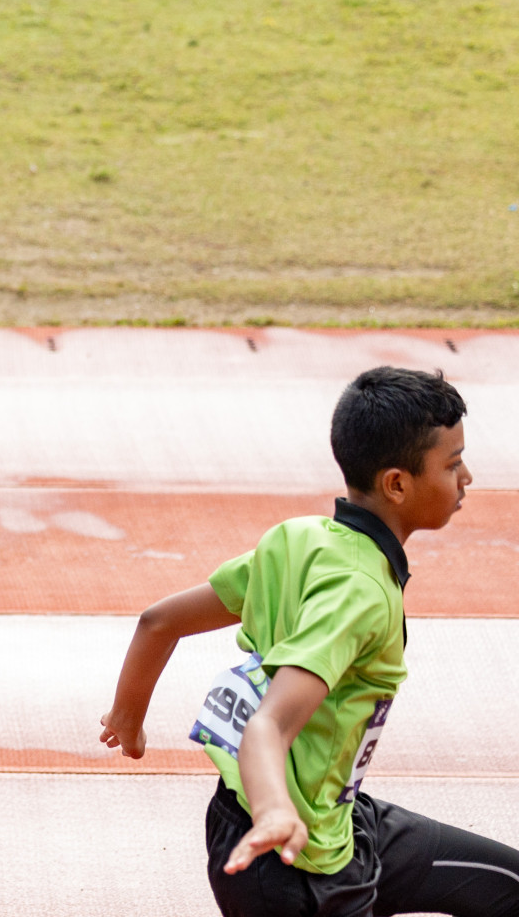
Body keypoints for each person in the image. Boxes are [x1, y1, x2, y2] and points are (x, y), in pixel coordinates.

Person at [99, 367, 519, 916]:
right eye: (453, 463)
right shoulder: (360, 594)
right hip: (297, 866)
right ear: (397, 483)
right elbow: (268, 725)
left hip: (322, 820)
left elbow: (159, 621)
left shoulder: (301, 540)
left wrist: (126, 716)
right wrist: (276, 812)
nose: (467, 477)